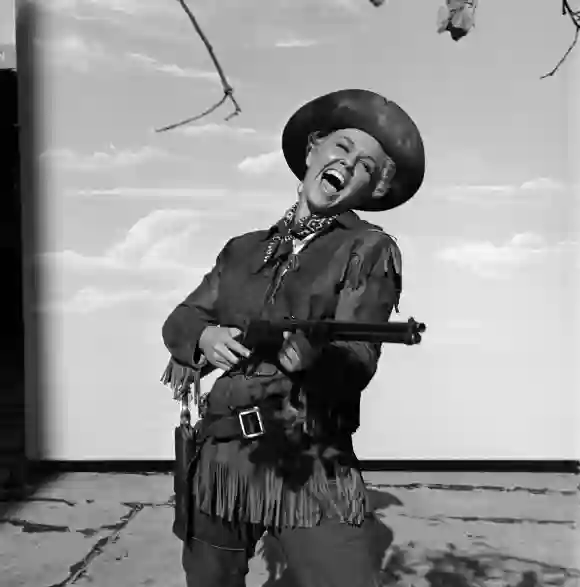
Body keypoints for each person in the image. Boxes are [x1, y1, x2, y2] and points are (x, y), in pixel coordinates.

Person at [161, 88, 425, 587]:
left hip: (308, 456)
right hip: (222, 454)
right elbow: (181, 318)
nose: (348, 167)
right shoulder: (241, 251)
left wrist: (310, 359)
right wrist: (205, 337)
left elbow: (357, 359)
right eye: (342, 150)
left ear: (373, 190)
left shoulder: (367, 249)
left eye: (366, 167)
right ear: (312, 152)